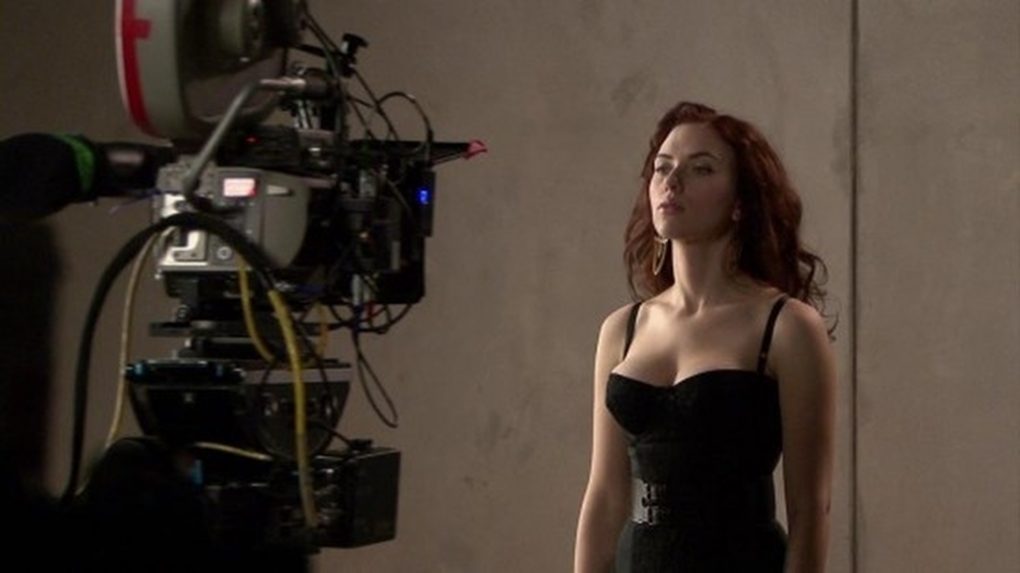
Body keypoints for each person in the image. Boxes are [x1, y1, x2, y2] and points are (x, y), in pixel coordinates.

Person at [574, 101, 836, 572]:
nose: (672, 182)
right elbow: (605, 496)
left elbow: (810, 511)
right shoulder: (622, 329)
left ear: (740, 203)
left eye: (701, 169)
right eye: (662, 167)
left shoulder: (786, 326)